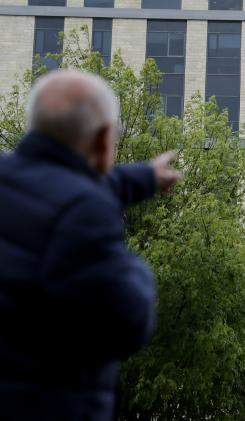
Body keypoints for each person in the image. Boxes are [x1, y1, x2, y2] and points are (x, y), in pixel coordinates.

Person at [0, 70, 181, 420]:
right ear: (102, 140)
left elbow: (56, 189)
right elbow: (129, 322)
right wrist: (132, 264)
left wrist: (143, 178)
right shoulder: (86, 213)